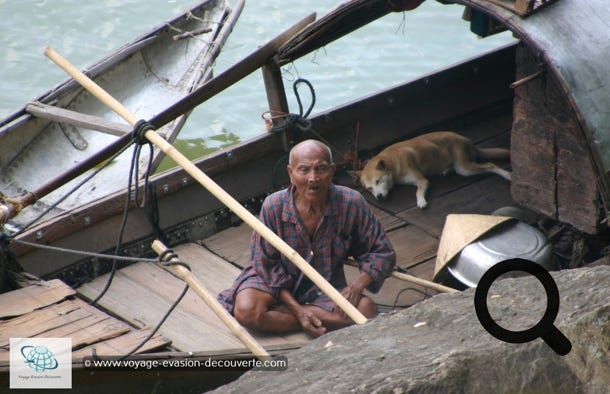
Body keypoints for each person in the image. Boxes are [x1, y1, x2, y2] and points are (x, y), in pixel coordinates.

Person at [217, 139, 396, 337]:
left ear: (333, 170)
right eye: (304, 170)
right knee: (247, 310)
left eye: (321, 169)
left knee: (366, 311)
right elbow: (265, 265)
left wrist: (357, 286)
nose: (313, 178)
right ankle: (309, 317)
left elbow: (383, 252)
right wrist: (298, 311)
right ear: (290, 173)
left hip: (322, 285)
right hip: (273, 283)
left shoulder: (351, 202)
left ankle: (288, 317)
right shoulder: (273, 206)